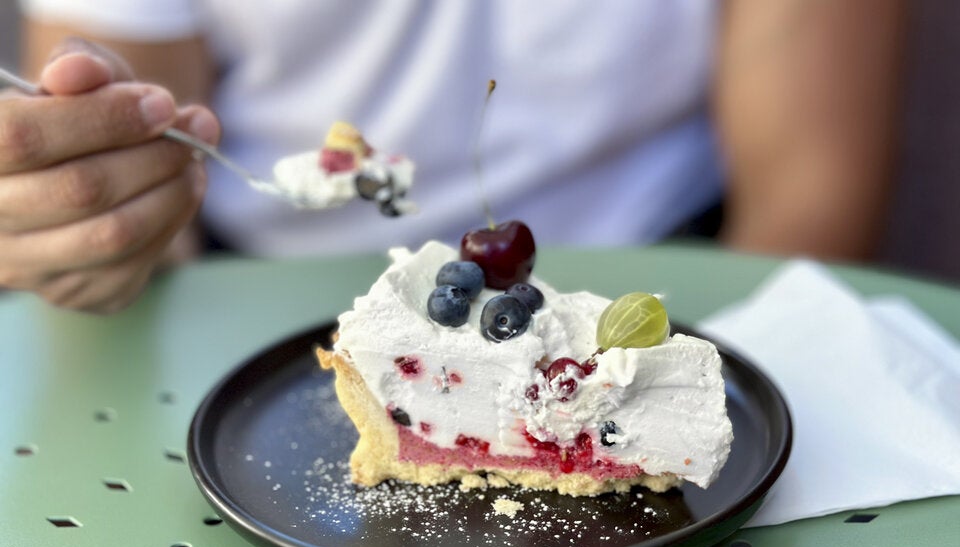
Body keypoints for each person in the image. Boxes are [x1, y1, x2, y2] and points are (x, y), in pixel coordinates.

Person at [4, 0, 905, 313]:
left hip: (657, 275)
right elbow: (150, 187)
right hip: (266, 287)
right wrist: (108, 220)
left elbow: (810, 194)